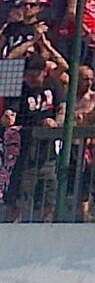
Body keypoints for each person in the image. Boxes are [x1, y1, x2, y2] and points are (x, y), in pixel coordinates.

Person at [4, 54, 65, 222]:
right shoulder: (19, 88)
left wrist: (56, 123)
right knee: (21, 190)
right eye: (27, 75)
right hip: (25, 149)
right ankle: (13, 225)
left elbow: (62, 108)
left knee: (49, 188)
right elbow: (12, 111)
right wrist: (8, 117)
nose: (29, 79)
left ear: (43, 72)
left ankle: (46, 227)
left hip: (48, 149)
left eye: (33, 75)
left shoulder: (53, 84)